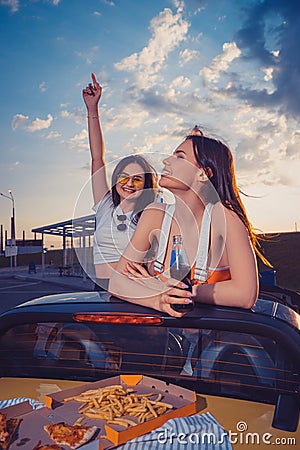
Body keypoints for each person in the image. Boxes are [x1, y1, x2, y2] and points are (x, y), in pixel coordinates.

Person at [109, 127, 265, 316]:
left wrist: (173, 290)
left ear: (203, 174)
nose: (166, 161)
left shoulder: (225, 217)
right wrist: (157, 299)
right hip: (166, 338)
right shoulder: (155, 214)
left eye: (180, 157)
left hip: (211, 340)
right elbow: (116, 282)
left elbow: (245, 295)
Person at [82, 74, 157, 290]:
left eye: (137, 179)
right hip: (102, 288)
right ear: (116, 181)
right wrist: (92, 110)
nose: (129, 184)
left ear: (146, 185)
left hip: (133, 289)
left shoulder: (150, 214)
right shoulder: (105, 205)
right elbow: (97, 158)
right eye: (124, 177)